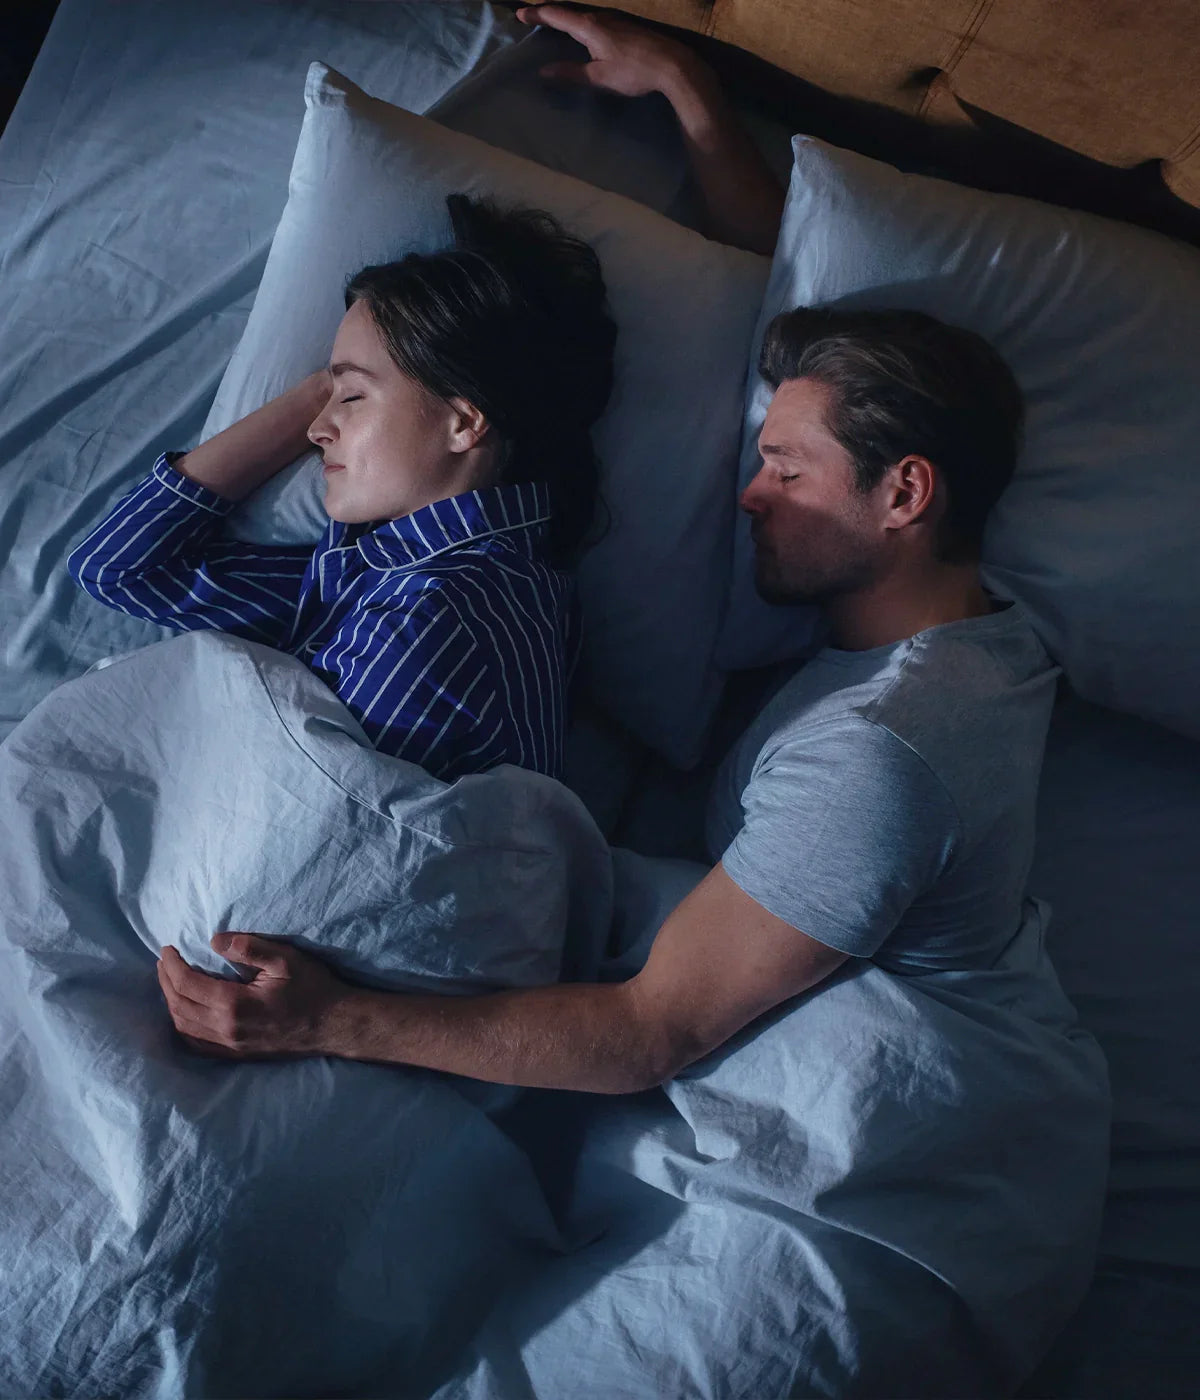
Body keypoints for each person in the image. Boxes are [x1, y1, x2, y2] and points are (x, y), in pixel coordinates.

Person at [154, 8, 1056, 1087]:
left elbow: (651, 1031)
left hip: (858, 1145)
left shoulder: (882, 756)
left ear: (907, 490)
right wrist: (690, 91)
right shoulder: (975, 640)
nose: (748, 496)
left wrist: (325, 1020)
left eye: (787, 469)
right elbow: (818, 324)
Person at [69, 193, 616, 782]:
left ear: (462, 422)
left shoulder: (430, 615)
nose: (316, 430)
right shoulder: (384, 572)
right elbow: (118, 568)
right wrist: (321, 390)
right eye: (327, 400)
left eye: (351, 398)